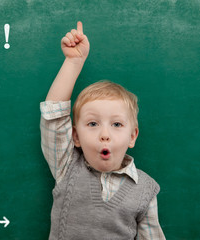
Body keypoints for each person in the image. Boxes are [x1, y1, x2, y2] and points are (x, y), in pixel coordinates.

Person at [40, 21, 165, 239]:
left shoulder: (146, 190)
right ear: (76, 137)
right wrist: (74, 62)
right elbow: (54, 115)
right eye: (93, 124)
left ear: (133, 136)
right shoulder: (66, 166)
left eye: (116, 124)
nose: (104, 134)